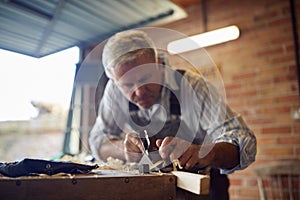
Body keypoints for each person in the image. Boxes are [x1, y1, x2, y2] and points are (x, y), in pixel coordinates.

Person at [89, 29, 256, 199]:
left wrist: (204, 153)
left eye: (145, 79)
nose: (139, 92)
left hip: (203, 188)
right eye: (128, 85)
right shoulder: (114, 90)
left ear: (159, 65)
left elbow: (244, 143)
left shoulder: (193, 87)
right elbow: (98, 141)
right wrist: (123, 151)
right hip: (154, 190)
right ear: (115, 81)